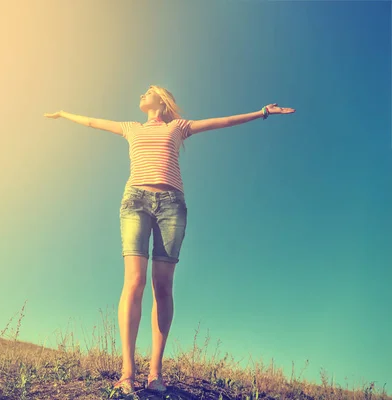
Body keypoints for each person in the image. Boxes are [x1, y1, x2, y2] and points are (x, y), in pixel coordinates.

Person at [44, 85, 295, 395]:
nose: (141, 94)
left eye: (148, 91)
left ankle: (155, 373)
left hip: (171, 206)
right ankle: (127, 372)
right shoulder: (130, 128)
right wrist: (64, 113)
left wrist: (262, 113)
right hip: (135, 202)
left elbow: (222, 121)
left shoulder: (179, 127)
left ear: (160, 102)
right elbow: (94, 122)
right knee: (134, 281)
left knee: (162, 286)